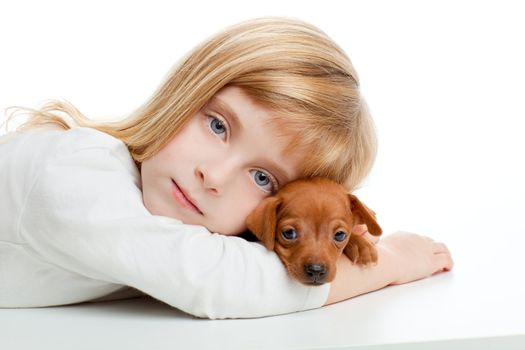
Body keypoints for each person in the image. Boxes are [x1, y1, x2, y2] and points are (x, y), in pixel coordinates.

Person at [0, 17, 453, 319]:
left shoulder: (163, 224)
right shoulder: (71, 173)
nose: (213, 177)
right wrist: (391, 261)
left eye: (262, 178)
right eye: (218, 125)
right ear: (185, 91)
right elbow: (220, 281)